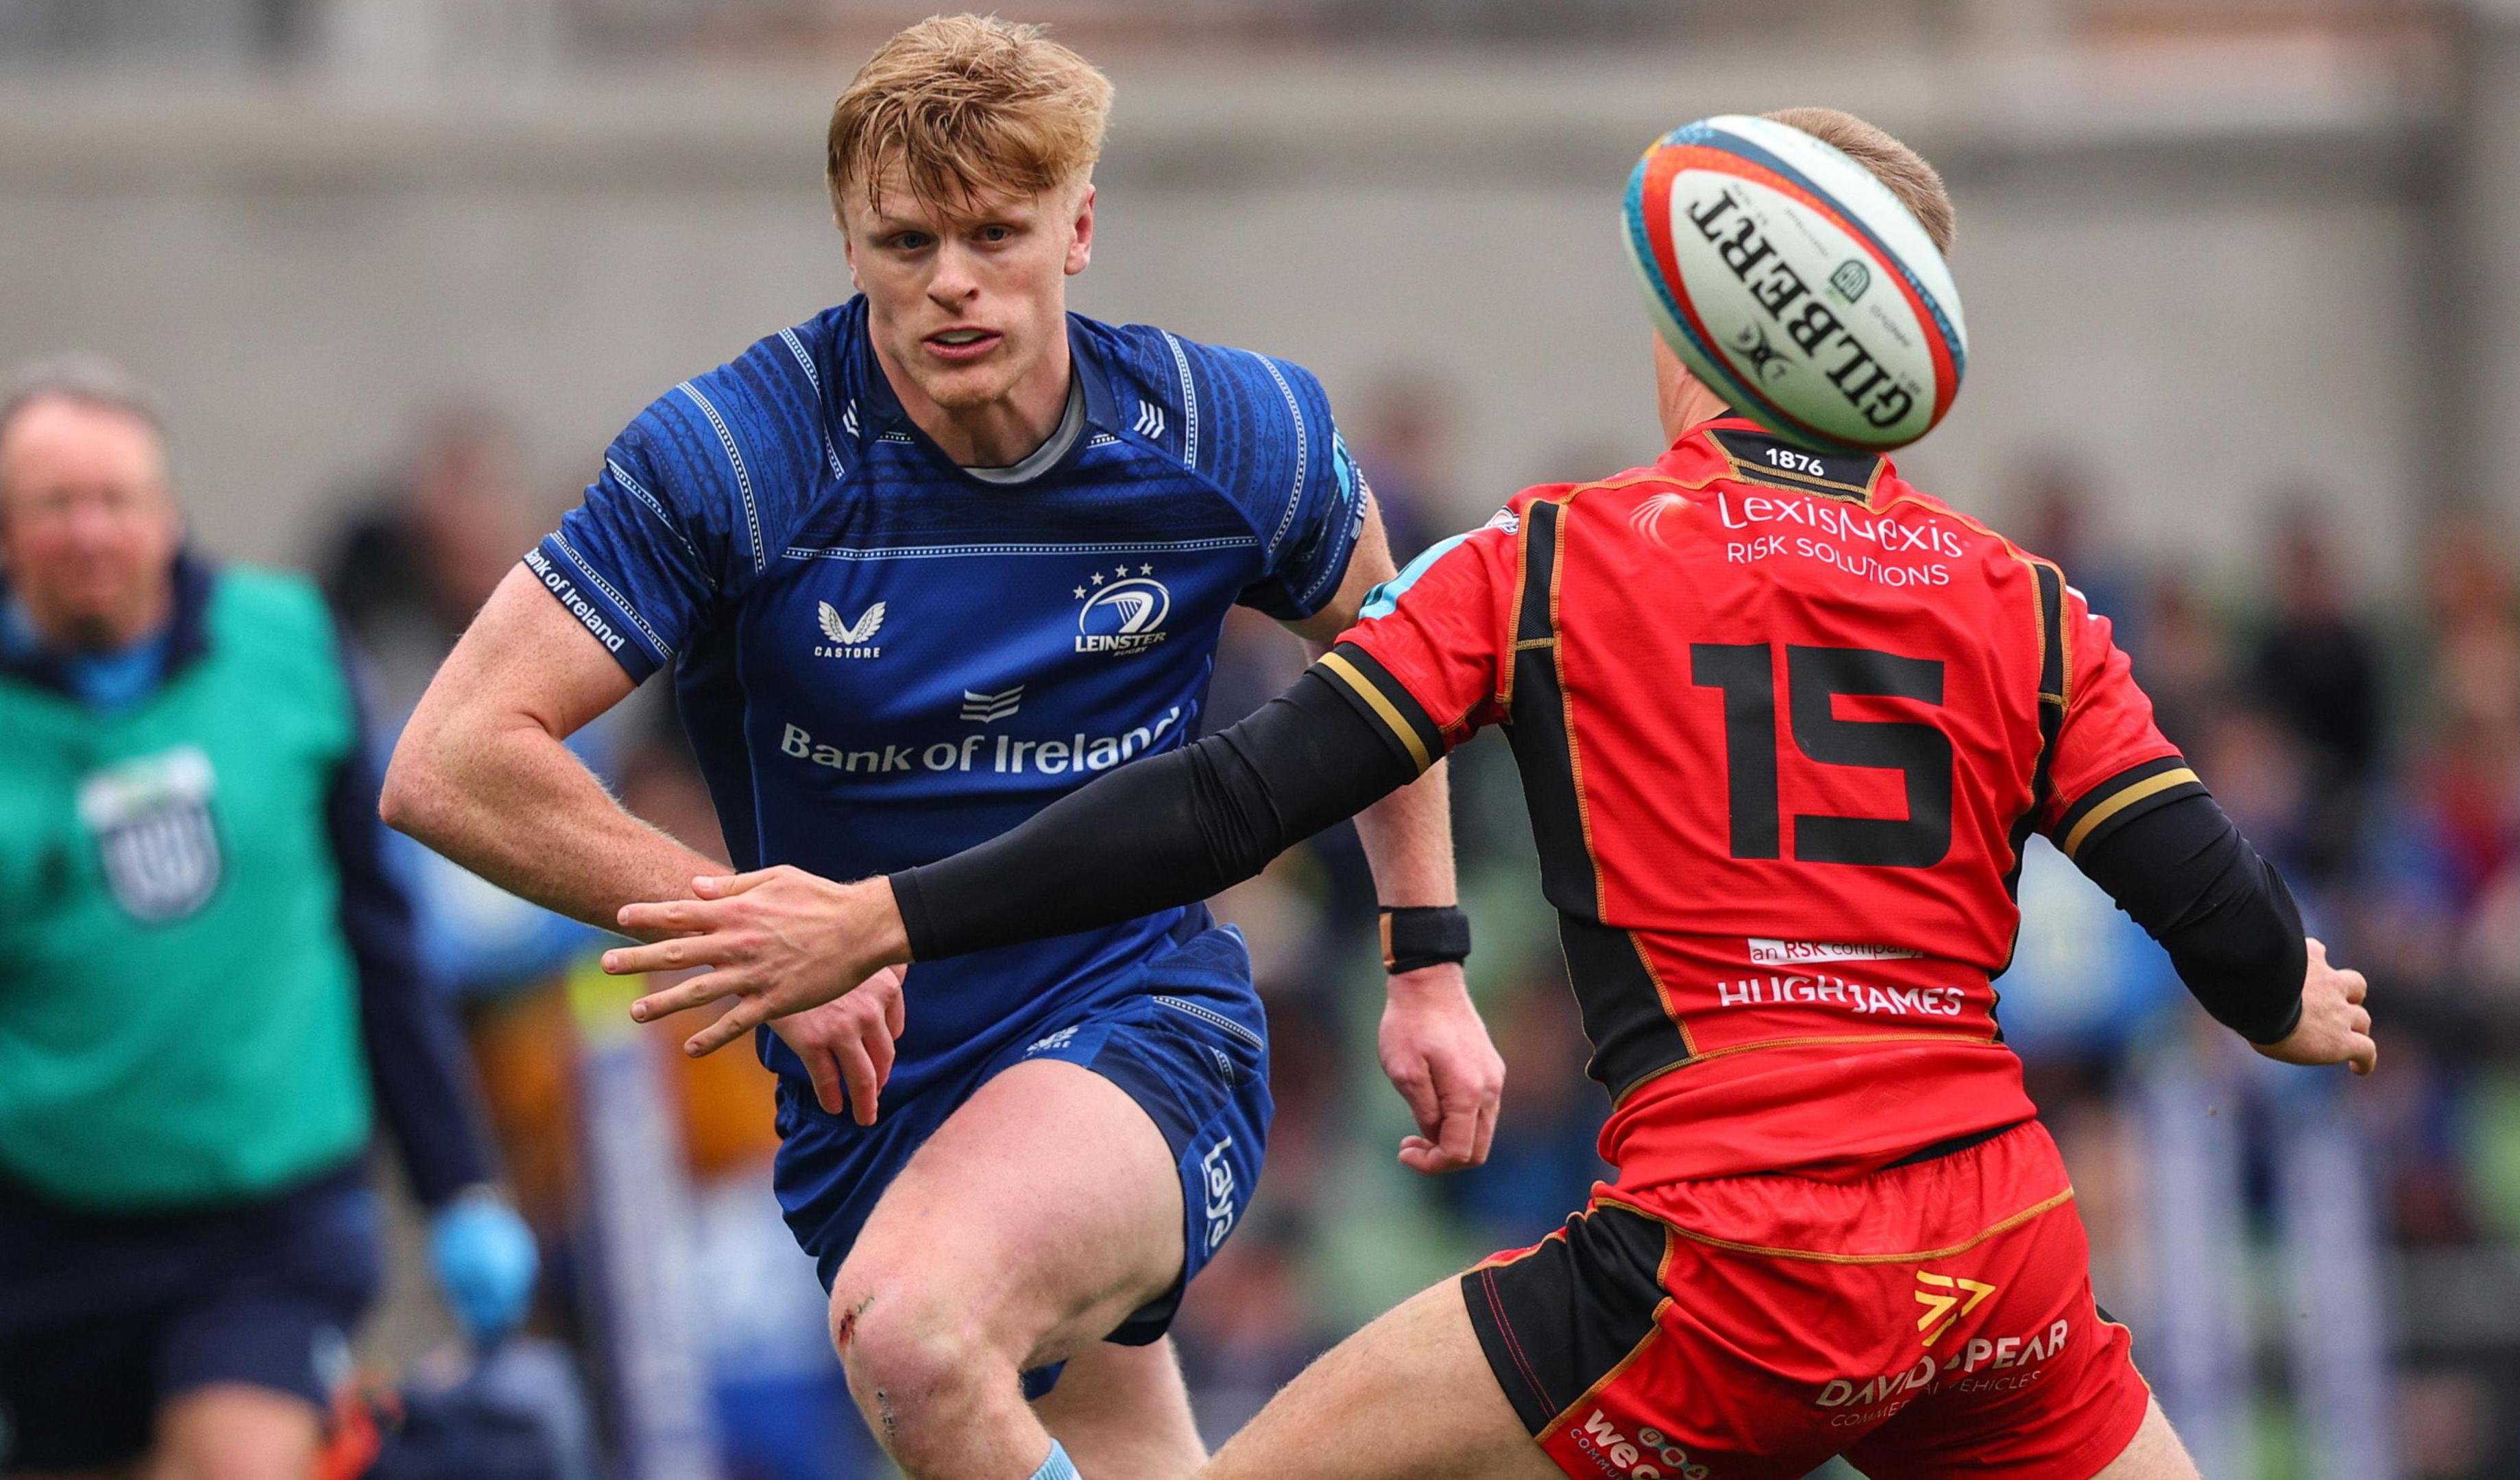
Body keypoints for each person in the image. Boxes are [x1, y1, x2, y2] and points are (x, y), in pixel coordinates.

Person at [618, 110, 2380, 1480]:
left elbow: (1231, 803)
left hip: (1730, 1265)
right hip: (1996, 1254)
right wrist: (2293, 998)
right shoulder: (2027, 601)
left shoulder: (1551, 561)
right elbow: (2210, 904)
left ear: (1693, 299)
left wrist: (889, 911)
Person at [376, 16, 1501, 1480]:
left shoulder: (1234, 429)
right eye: (906, 243)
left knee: (914, 1331)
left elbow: (1394, 652)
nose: (953, 283)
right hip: (871, 1096)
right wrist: (753, 936)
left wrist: (1426, 961)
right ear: (849, 242)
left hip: (1140, 1020)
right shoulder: (737, 456)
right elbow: (450, 759)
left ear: (1079, 226)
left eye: (996, 233)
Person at [0, 359, 536, 1480]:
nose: (91, 531)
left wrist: (459, 1189)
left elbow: (381, 934)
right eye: (55, 506)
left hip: (270, 1211)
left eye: (117, 499)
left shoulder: (286, 646)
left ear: (170, 513)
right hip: (48, 1216)